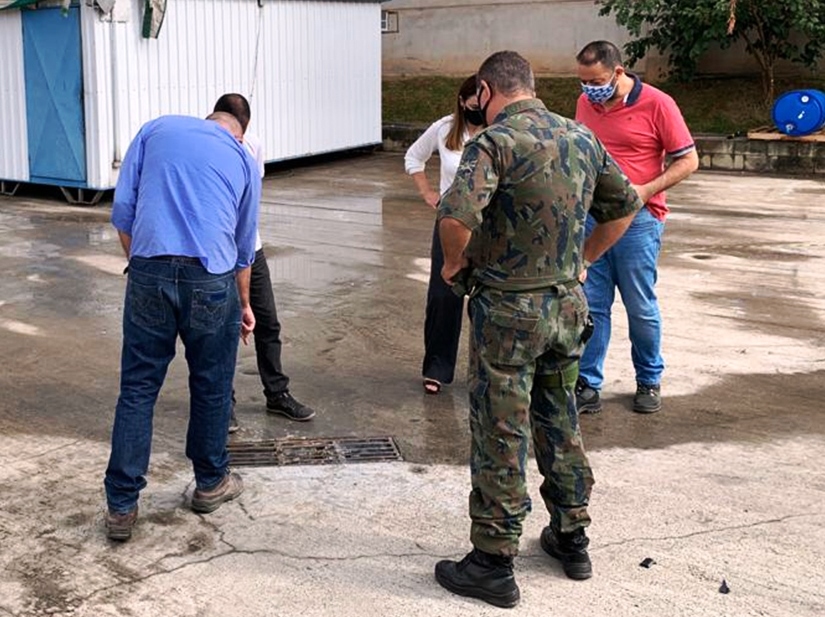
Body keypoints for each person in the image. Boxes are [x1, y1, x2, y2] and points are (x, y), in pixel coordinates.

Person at [432, 51, 643, 608]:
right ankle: (571, 537)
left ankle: (493, 562)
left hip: (508, 313)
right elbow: (627, 205)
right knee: (559, 415)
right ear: (531, 85)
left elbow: (455, 216)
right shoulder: (581, 138)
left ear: (484, 90)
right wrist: (584, 261)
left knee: (502, 428)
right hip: (566, 309)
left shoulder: (494, 143)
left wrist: (455, 266)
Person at [104, 112, 261, 541]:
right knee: (211, 384)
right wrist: (244, 304)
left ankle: (121, 506)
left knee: (137, 388)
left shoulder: (155, 129)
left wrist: (141, 267)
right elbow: (244, 246)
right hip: (210, 278)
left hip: (149, 268)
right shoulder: (244, 157)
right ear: (237, 131)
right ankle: (211, 483)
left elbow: (123, 212)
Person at [574, 40, 699, 415]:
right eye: (582, 81)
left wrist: (645, 190)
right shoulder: (586, 103)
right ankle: (588, 383)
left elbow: (688, 160)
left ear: (618, 72)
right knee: (592, 306)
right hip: (593, 218)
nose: (588, 89)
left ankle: (648, 379)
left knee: (639, 305)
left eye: (595, 80)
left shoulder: (659, 103)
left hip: (639, 222)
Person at [213, 94, 315, 427]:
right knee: (223, 329)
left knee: (267, 322)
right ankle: (223, 404)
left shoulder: (253, 145)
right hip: (217, 254)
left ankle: (277, 394)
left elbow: (252, 198)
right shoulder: (207, 148)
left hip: (250, 249)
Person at [404, 76, 484, 394]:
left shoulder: (501, 129)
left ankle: (485, 371)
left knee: (486, 300)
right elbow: (413, 157)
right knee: (443, 296)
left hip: (487, 225)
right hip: (450, 223)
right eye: (474, 106)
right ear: (463, 102)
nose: (480, 111)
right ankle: (437, 367)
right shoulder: (445, 128)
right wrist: (427, 193)